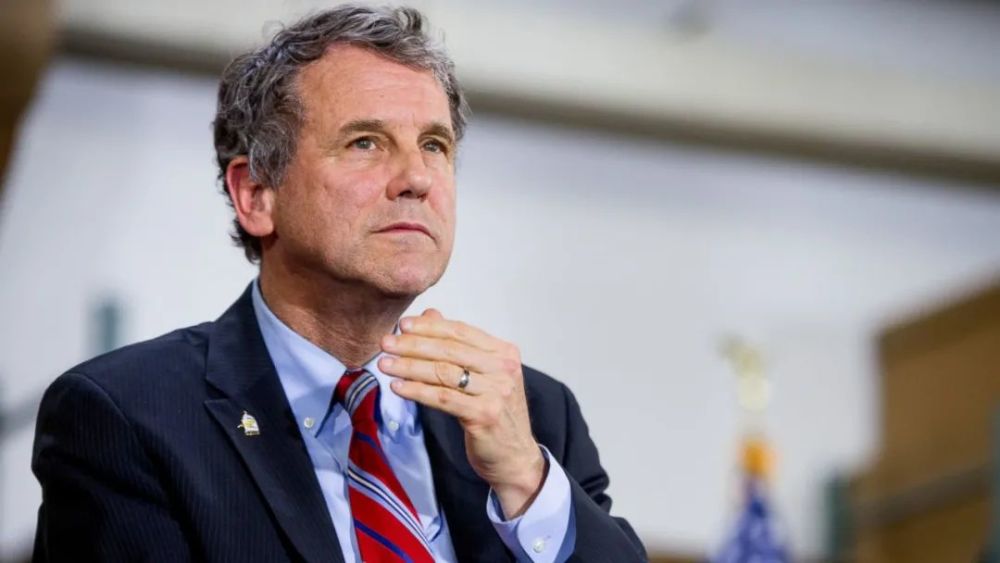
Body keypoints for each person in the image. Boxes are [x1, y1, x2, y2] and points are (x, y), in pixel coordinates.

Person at [31, 5, 646, 562]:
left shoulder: (533, 415)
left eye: (434, 145)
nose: (416, 179)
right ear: (256, 195)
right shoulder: (130, 416)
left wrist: (525, 480)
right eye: (366, 142)